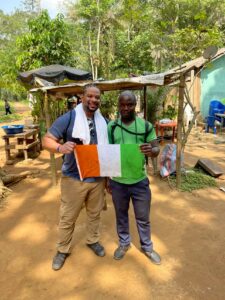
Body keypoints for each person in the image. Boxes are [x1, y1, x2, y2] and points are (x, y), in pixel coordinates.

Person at [42, 84, 108, 271]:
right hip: (73, 179)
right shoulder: (69, 118)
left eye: (97, 97)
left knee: (94, 214)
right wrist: (60, 148)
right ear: (81, 97)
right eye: (90, 96)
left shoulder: (103, 121)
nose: (93, 100)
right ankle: (63, 250)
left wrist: (107, 179)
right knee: (68, 217)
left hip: (97, 178)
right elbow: (46, 139)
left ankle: (92, 240)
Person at [107, 90, 161, 265]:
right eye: (122, 104)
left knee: (143, 217)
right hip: (118, 182)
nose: (125, 107)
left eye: (129, 104)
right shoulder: (112, 127)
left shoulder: (146, 126)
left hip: (139, 181)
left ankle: (147, 247)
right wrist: (108, 180)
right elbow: (108, 153)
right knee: (121, 215)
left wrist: (151, 150)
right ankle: (124, 243)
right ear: (118, 105)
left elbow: (156, 149)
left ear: (134, 105)